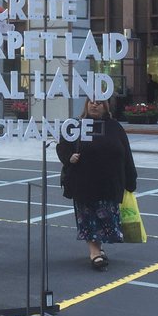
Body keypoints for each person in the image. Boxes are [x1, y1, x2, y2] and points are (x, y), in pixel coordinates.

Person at [56, 98, 137, 272]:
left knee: (106, 219)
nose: (94, 105)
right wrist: (69, 157)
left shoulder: (114, 127)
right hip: (83, 183)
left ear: (106, 106)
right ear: (86, 104)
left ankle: (98, 248)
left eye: (99, 102)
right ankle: (94, 253)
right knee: (89, 219)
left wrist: (131, 179)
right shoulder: (76, 125)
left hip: (109, 183)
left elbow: (126, 154)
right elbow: (62, 146)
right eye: (91, 102)